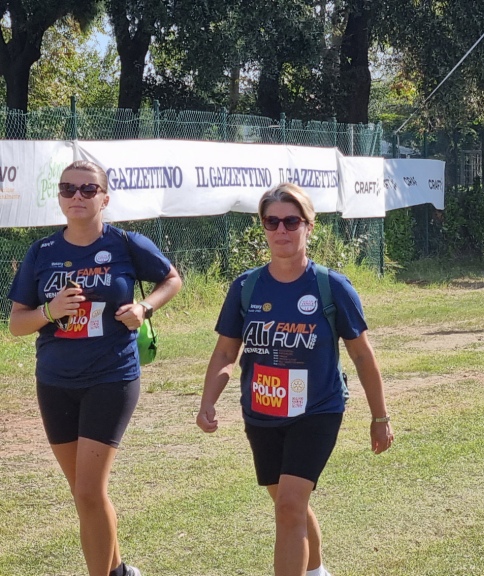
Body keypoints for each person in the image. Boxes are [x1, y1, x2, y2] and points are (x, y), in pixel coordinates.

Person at [197, 183, 393, 576]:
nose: (281, 230)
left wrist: (380, 417)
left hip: (316, 409)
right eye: (272, 222)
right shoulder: (246, 287)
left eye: (291, 221)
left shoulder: (331, 286)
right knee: (290, 505)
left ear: (308, 226)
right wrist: (208, 400)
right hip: (262, 410)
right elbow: (225, 352)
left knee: (289, 505)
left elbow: (362, 355)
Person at [7, 160, 182, 576]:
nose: (77, 197)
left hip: (111, 375)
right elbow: (16, 324)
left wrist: (144, 307)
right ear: (59, 197)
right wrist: (50, 311)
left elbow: (172, 279)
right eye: (68, 189)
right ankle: (118, 571)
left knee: (88, 490)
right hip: (55, 380)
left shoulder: (125, 243)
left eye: (88, 190)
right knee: (83, 493)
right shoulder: (42, 252)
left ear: (105, 198)